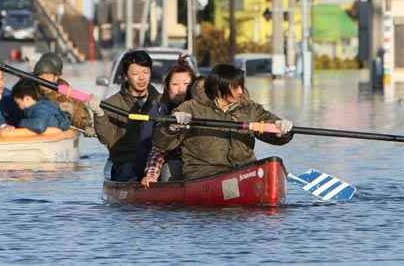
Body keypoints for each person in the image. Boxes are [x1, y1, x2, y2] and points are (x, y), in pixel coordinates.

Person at [152, 63, 294, 181]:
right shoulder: (190, 108)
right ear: (219, 88)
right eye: (235, 87)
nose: (240, 91)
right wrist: (172, 127)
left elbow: (271, 126)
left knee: (273, 162)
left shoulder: (250, 108)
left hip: (243, 172)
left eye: (241, 86)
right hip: (204, 175)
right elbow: (161, 142)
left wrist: (281, 130)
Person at [91, 50, 161, 182]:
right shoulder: (112, 104)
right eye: (135, 74)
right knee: (127, 172)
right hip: (126, 163)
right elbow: (105, 139)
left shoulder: (160, 101)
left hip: (154, 163)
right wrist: (99, 114)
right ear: (125, 76)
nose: (142, 78)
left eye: (146, 72)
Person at [141, 58, 198, 188]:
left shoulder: (203, 108)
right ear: (167, 87)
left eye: (186, 84)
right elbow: (158, 148)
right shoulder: (158, 110)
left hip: (200, 164)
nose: (181, 90)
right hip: (172, 162)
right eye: (175, 84)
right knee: (169, 170)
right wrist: (151, 175)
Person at [33, 52, 94, 135]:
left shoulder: (65, 93)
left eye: (48, 74)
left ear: (56, 77)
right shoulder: (29, 87)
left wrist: (86, 126)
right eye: (41, 74)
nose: (44, 78)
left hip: (57, 132)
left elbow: (79, 112)